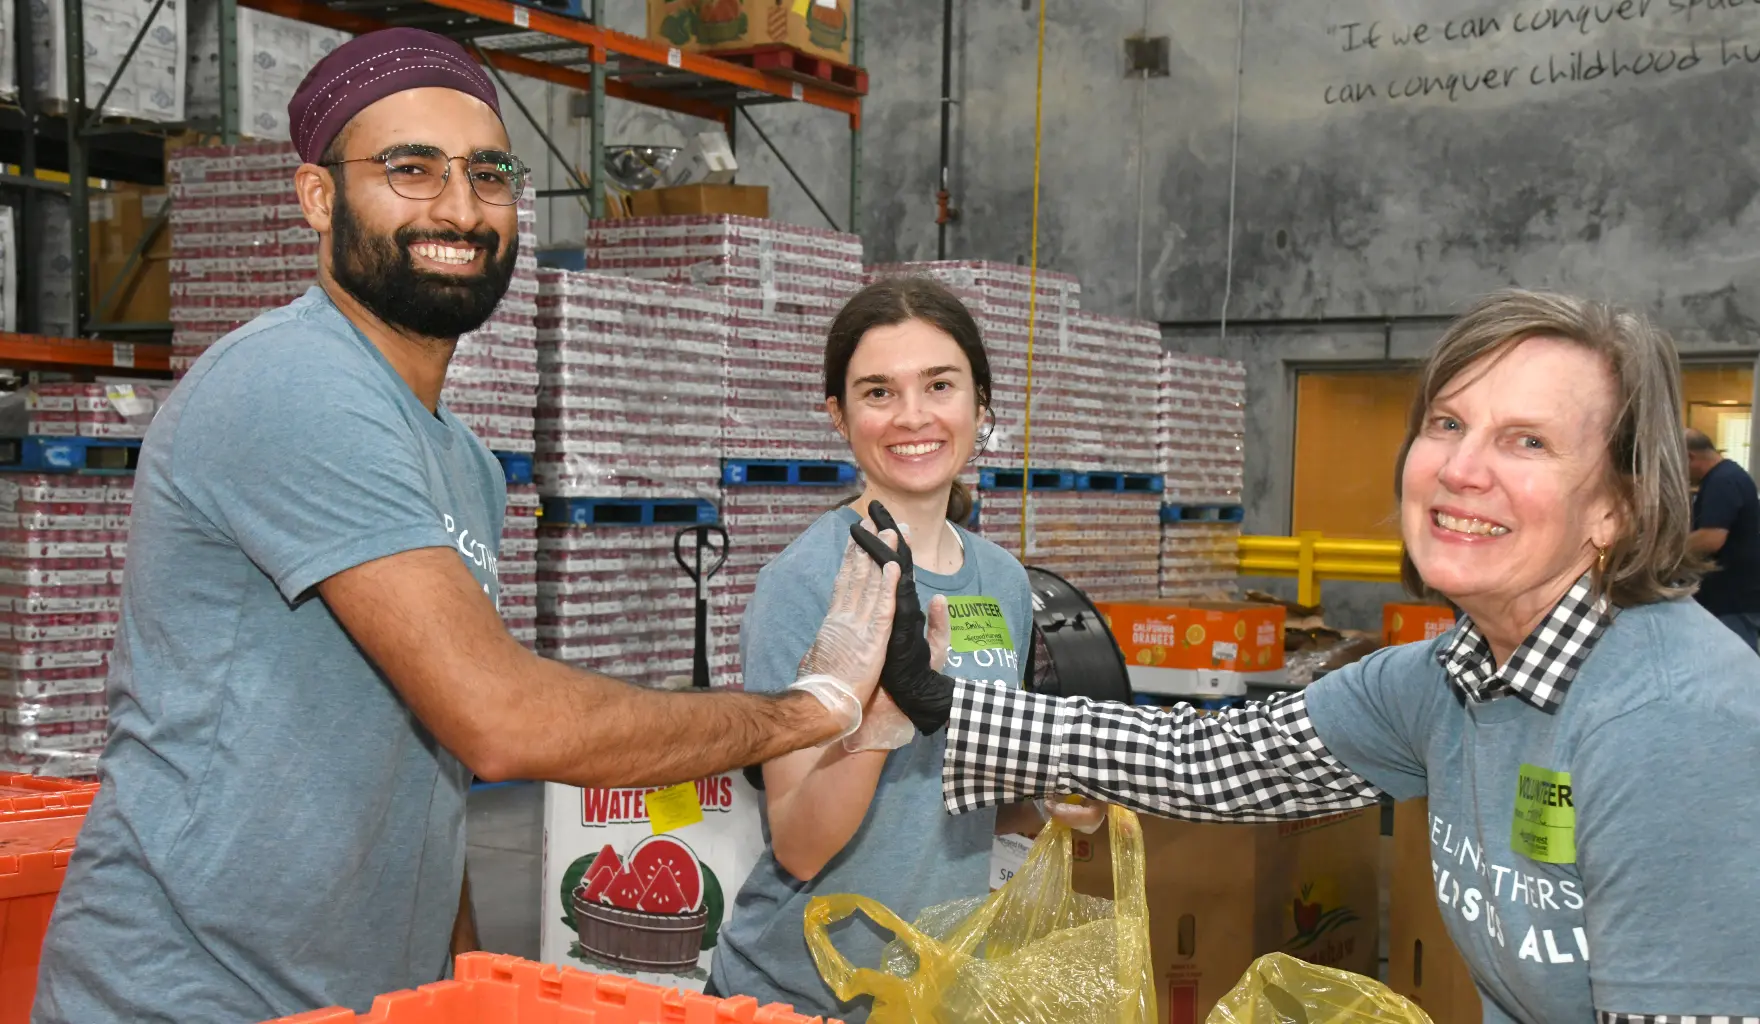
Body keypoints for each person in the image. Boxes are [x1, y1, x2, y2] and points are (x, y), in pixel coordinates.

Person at [31, 29, 902, 1024]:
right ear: (318, 197)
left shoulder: (464, 464)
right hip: (183, 993)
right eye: (410, 168)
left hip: (350, 998)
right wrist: (805, 709)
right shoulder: (292, 384)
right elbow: (500, 718)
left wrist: (456, 988)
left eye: (488, 173)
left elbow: (430, 764)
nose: (457, 206)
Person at [861, 290, 1760, 1023]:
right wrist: (943, 701)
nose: (1461, 469)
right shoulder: (1452, 675)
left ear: (1616, 510)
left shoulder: (1671, 724)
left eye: (1528, 441)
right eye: (1447, 424)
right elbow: (1215, 759)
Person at [707, 277, 1050, 1021]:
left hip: (933, 990)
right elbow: (798, 845)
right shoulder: (807, 582)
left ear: (980, 403)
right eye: (878, 392)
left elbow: (966, 795)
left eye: (939, 384)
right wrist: (881, 719)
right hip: (804, 994)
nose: (914, 416)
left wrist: (1053, 797)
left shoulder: (1004, 582)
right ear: (839, 415)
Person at [1685, 427, 1760, 649]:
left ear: (1690, 457)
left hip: (1733, 597)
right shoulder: (1723, 476)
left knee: (1735, 660)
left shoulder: (1723, 481)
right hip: (1731, 594)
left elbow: (1711, 537)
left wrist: (1662, 552)